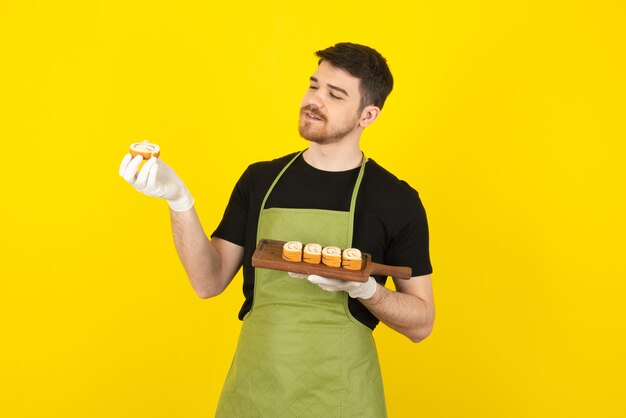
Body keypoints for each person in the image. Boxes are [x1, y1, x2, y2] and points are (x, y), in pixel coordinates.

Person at [119, 42, 435, 417]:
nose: (315, 100)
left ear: (368, 114)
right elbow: (208, 281)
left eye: (335, 94)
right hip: (256, 392)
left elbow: (422, 322)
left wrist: (366, 289)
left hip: (342, 399)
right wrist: (179, 201)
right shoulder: (261, 180)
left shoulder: (395, 199)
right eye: (314, 85)